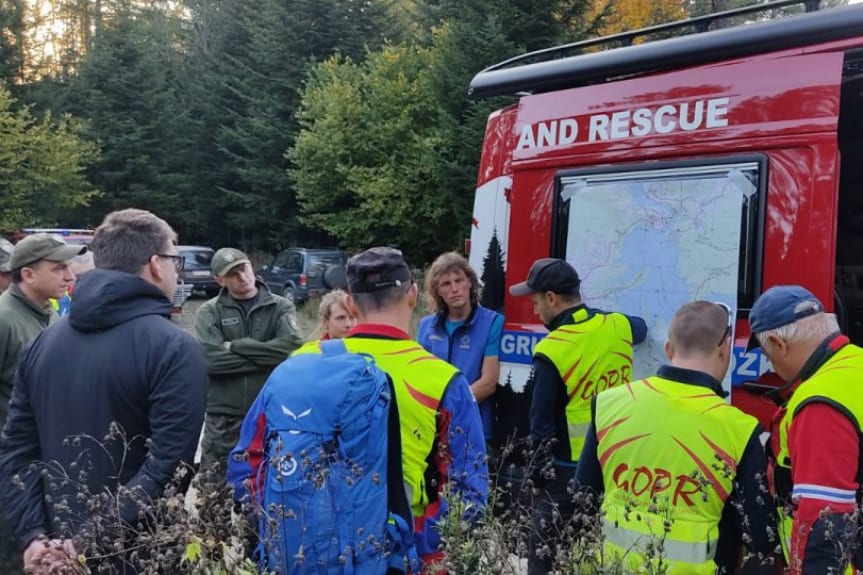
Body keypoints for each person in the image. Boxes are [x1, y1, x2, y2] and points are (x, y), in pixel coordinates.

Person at [247, 247, 489, 567]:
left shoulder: (300, 363)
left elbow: (249, 461)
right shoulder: (443, 380)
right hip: (401, 553)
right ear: (413, 295)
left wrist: (281, 535)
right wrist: (420, 547)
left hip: (308, 552)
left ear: (349, 302)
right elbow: (468, 495)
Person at [0, 209, 207, 573]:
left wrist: (36, 538)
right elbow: (170, 467)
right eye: (176, 259)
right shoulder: (173, 347)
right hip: (136, 555)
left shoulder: (44, 341)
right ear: (156, 265)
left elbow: (16, 453)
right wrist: (79, 545)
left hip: (52, 553)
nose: (178, 271)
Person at [576, 301, 778, 573]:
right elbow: (760, 537)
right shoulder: (738, 429)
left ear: (668, 349)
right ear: (724, 351)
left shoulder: (608, 404)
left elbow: (582, 500)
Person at [508, 257, 647, 575]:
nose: (535, 310)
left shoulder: (551, 350)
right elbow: (641, 328)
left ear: (552, 298)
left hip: (567, 470)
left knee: (542, 552)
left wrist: (536, 481)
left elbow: (540, 426)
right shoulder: (618, 325)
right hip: (617, 464)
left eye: (535, 302)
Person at [746, 285, 863, 574]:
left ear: (778, 343)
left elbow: (824, 523)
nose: (771, 367)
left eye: (767, 355)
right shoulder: (855, 364)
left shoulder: (820, 404)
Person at [194, 247, 302, 477]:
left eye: (244, 268)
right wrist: (267, 359)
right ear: (220, 280)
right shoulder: (209, 312)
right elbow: (209, 360)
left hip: (269, 410)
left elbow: (292, 349)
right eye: (233, 274)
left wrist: (237, 346)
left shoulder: (280, 306)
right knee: (214, 493)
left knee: (267, 486)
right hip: (224, 415)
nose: (243, 277)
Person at [418, 252, 503, 444]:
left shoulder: (492, 322)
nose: (455, 289)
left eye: (459, 280)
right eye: (446, 284)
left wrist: (446, 411)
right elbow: (421, 379)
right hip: (432, 430)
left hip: (474, 429)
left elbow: (488, 383)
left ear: (470, 283)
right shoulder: (426, 326)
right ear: (437, 291)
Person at [50, 251, 95, 316]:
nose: (88, 279)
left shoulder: (108, 297)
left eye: (93, 274)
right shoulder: (54, 299)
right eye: (80, 276)